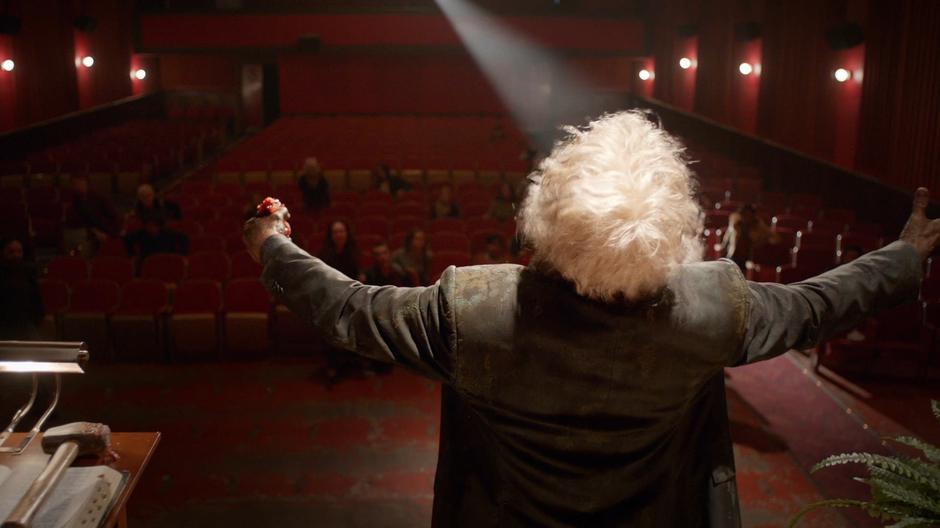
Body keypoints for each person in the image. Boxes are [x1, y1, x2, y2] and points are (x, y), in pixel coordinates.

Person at [243, 111, 933, 527]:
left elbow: (346, 309)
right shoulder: (713, 305)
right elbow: (820, 305)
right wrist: (905, 255)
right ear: (673, 232)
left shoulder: (472, 310)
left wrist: (270, 242)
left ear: (543, 222)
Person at [0, 237, 43, 340]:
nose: (16, 255)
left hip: (25, 325)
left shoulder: (29, 272)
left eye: (19, 251)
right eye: (11, 252)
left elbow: (36, 300)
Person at [64, 174, 120, 253]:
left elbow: (115, 217)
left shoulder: (99, 197)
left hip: (107, 230)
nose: (76, 187)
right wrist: (94, 231)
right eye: (74, 184)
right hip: (92, 231)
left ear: (85, 183)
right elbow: (84, 219)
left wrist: (107, 233)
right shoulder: (77, 199)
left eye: (79, 183)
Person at [721, 204, 780, 272]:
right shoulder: (736, 223)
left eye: (748, 215)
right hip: (733, 257)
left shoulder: (758, 225)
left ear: (753, 216)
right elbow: (727, 237)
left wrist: (763, 240)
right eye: (744, 215)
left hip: (749, 259)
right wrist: (723, 246)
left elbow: (775, 238)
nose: (746, 218)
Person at [124, 218, 189, 259]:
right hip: (146, 262)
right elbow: (127, 240)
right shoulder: (141, 234)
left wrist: (180, 254)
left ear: (158, 226)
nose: (150, 228)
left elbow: (184, 238)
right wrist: (132, 254)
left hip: (166, 261)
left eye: (153, 225)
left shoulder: (168, 233)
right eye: (148, 225)